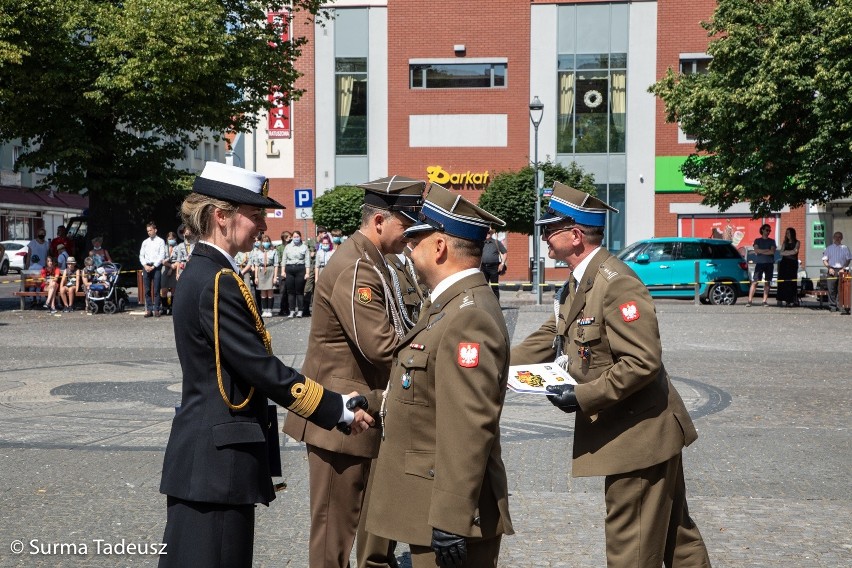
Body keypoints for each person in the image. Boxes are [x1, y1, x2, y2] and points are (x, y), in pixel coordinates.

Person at [158, 161, 373, 568]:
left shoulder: (211, 271)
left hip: (210, 459)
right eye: (254, 215)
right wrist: (335, 408)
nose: (263, 226)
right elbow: (258, 367)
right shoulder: (218, 279)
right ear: (221, 216)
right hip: (217, 464)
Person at [510, 182, 711, 568]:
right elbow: (550, 335)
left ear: (575, 235)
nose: (544, 241)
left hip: (638, 436)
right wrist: (498, 366)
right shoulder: (579, 281)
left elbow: (641, 361)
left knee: (631, 547)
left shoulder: (615, 283)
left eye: (549, 232)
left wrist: (583, 396)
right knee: (675, 537)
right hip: (638, 432)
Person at [362, 183, 514, 568]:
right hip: (424, 505)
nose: (410, 250)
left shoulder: (469, 316)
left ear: (440, 247)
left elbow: (468, 426)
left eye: (416, 240)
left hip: (444, 515)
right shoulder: (447, 305)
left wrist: (450, 518)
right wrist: (372, 402)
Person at [283, 175, 425, 568]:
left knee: (351, 529)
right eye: (405, 224)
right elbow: (379, 345)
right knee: (333, 538)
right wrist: (434, 349)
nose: (411, 234)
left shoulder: (377, 261)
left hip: (360, 413)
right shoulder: (358, 267)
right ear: (379, 221)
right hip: (340, 421)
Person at [139, 221, 167, 317]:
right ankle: (149, 309)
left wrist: (154, 266)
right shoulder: (145, 242)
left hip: (156, 267)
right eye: (147, 231)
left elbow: (162, 255)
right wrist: (145, 265)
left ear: (155, 230)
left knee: (156, 289)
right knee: (147, 289)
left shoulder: (160, 241)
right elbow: (141, 255)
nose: (149, 232)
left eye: (150, 230)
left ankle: (156, 309)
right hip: (146, 266)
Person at [746, 223, 776, 307]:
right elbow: (756, 250)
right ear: (762, 230)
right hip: (760, 263)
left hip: (769, 263)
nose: (768, 232)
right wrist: (766, 250)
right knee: (755, 282)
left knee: (767, 282)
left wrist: (761, 250)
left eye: (769, 230)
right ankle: (749, 300)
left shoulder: (772, 241)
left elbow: (772, 251)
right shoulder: (757, 240)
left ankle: (764, 301)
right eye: (767, 230)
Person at [282, 230, 311, 317]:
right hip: (289, 269)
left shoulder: (304, 247)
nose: (296, 238)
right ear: (292, 238)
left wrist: (307, 273)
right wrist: (283, 271)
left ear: (300, 237)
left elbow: (307, 261)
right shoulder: (287, 247)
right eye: (294, 237)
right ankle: (292, 310)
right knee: (290, 291)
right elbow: (284, 260)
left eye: (297, 237)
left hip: (300, 269)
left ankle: (300, 311)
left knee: (299, 291)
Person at [822, 231, 852, 313]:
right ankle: (832, 306)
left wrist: (843, 268)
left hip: (842, 270)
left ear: (841, 238)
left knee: (841, 289)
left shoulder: (845, 248)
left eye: (839, 237)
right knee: (831, 289)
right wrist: (829, 268)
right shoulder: (829, 248)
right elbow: (824, 260)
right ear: (833, 238)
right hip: (831, 269)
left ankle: (840, 306)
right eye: (836, 237)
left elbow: (848, 259)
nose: (837, 238)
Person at [253, 234, 280, 318]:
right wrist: (256, 277)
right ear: (261, 242)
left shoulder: (273, 251)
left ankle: (269, 310)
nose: (266, 243)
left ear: (270, 242)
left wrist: (275, 277)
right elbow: (256, 265)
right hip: (261, 271)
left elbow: (276, 265)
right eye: (264, 242)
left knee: (270, 291)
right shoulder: (258, 251)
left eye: (267, 241)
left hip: (270, 269)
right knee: (263, 292)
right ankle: (264, 309)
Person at [480, 227, 508, 300]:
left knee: (494, 287)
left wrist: (502, 264)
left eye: (489, 232)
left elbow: (504, 253)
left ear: (491, 233)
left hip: (494, 267)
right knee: (484, 287)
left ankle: (496, 304)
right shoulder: (481, 243)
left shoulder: (496, 242)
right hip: (483, 267)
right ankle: (486, 304)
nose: (487, 234)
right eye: (486, 232)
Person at [777, 227, 800, 307]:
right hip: (784, 263)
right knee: (783, 281)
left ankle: (791, 300)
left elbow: (795, 251)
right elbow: (781, 253)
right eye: (786, 233)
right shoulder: (784, 243)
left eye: (789, 233)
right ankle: (781, 299)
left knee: (792, 282)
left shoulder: (797, 242)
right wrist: (789, 252)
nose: (787, 234)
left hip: (793, 264)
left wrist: (787, 252)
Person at [160, 231, 180, 315]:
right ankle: (164, 308)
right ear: (167, 239)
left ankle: (172, 308)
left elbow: (179, 259)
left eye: (172, 239)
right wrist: (169, 265)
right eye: (169, 239)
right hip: (165, 268)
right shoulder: (164, 247)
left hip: (175, 269)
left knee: (173, 290)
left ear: (175, 239)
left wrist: (172, 268)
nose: (171, 240)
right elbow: (162, 260)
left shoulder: (178, 247)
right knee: (164, 290)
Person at [276, 231, 292, 316]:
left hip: (290, 269)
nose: (291, 238)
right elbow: (279, 259)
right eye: (289, 237)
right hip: (282, 270)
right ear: (285, 238)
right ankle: (282, 309)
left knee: (289, 290)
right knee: (282, 290)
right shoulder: (280, 248)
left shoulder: (292, 247)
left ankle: (289, 308)